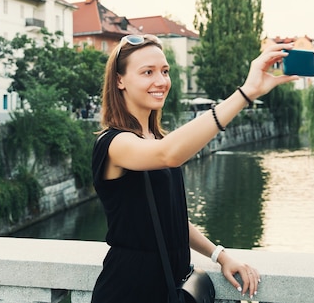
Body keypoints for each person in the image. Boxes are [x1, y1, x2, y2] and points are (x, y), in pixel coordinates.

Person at [90, 34, 297, 303]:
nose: (161, 81)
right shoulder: (114, 143)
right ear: (120, 80)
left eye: (165, 71)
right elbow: (169, 155)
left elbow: (173, 220)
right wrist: (246, 93)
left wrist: (220, 256)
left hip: (168, 286)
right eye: (147, 72)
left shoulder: (156, 139)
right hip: (128, 289)